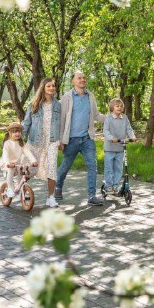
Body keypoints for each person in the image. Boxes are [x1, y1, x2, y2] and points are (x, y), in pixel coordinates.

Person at [55, 71, 105, 206]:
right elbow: (62, 119)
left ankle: (92, 196)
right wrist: (60, 140)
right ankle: (58, 187)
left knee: (92, 166)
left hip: (87, 139)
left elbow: (96, 115)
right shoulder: (67, 97)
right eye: (79, 78)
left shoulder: (91, 96)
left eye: (84, 78)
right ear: (73, 81)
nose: (82, 80)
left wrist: (111, 118)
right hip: (71, 140)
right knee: (65, 166)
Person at [22, 78, 61, 208]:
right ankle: (20, 188)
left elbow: (61, 123)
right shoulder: (33, 104)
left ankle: (51, 197)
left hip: (52, 141)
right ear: (43, 88)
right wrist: (19, 138)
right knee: (30, 168)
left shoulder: (58, 105)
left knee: (52, 167)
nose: (51, 88)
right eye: (49, 86)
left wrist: (62, 141)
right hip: (36, 140)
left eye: (53, 86)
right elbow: (26, 122)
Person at [103, 98, 136, 196]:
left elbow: (129, 129)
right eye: (117, 106)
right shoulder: (108, 118)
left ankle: (115, 186)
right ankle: (108, 185)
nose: (120, 108)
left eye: (121, 106)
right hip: (110, 148)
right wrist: (111, 137)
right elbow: (106, 131)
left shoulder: (124, 118)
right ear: (112, 107)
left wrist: (132, 136)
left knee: (118, 168)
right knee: (109, 168)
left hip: (121, 147)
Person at [0, 121, 37, 201]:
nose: (17, 134)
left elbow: (28, 152)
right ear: (10, 133)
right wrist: (8, 163)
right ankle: (10, 188)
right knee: (11, 169)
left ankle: (19, 191)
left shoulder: (21, 143)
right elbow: (5, 155)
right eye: (14, 132)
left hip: (16, 164)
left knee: (22, 171)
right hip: (7, 164)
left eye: (19, 132)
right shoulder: (7, 143)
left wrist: (33, 161)